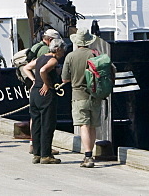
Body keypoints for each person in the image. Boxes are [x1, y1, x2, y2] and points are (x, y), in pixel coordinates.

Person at [21, 38, 66, 164]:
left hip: (34, 93)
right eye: (62, 50)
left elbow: (26, 67)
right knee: (47, 123)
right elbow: (43, 70)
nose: (63, 53)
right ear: (57, 49)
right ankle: (46, 155)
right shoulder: (53, 60)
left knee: (36, 123)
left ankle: (37, 153)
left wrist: (34, 80)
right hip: (45, 95)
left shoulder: (41, 57)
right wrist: (47, 83)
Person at [63, 28, 101, 168]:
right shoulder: (94, 55)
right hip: (95, 95)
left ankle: (88, 156)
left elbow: (65, 78)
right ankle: (92, 154)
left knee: (84, 126)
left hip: (78, 95)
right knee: (92, 126)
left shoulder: (70, 56)